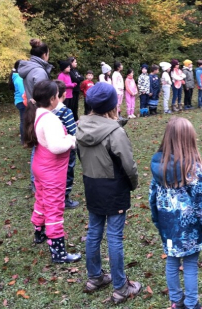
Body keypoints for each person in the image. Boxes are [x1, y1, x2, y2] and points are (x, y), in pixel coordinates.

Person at [149, 117, 202, 309]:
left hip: (168, 227)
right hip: (189, 230)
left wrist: (158, 222)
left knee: (172, 261)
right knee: (190, 265)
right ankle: (191, 304)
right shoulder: (194, 169)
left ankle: (177, 302)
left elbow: (152, 198)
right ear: (189, 140)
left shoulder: (159, 165)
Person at [78, 83, 142, 304]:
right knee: (114, 236)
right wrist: (133, 184)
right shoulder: (116, 132)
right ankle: (120, 287)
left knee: (94, 230)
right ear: (112, 105)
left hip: (92, 185)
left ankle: (94, 277)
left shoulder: (79, 126)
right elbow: (129, 165)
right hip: (114, 187)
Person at [26, 80, 80, 264]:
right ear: (52, 98)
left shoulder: (39, 113)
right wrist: (72, 141)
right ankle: (59, 252)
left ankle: (38, 233)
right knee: (54, 207)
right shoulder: (50, 119)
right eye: (58, 95)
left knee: (41, 200)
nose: (60, 97)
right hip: (52, 170)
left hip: (41, 165)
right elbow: (57, 146)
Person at [20, 39, 53, 105]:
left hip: (32, 109)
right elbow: (42, 96)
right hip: (39, 110)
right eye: (48, 54)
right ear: (44, 55)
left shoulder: (29, 68)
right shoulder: (39, 72)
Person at [12, 61, 27, 142]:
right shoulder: (19, 78)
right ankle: (24, 140)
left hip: (21, 101)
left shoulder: (18, 76)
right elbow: (23, 92)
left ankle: (25, 139)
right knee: (24, 121)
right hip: (22, 101)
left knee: (24, 120)